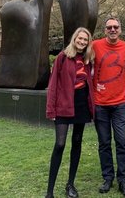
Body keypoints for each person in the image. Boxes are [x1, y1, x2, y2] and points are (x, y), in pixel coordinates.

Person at [45, 27, 95, 198]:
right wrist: (51, 109)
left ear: (88, 43)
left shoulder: (88, 60)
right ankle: (49, 191)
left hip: (81, 104)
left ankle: (70, 185)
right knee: (60, 144)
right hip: (64, 104)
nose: (82, 42)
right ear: (74, 39)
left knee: (77, 141)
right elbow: (53, 85)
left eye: (85, 40)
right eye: (79, 38)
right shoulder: (62, 57)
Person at [93, 16, 125, 197]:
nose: (112, 30)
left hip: (119, 104)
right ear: (104, 30)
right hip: (100, 103)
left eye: (115, 27)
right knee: (104, 143)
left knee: (122, 142)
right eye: (109, 27)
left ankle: (123, 180)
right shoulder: (95, 46)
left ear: (120, 29)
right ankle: (107, 177)